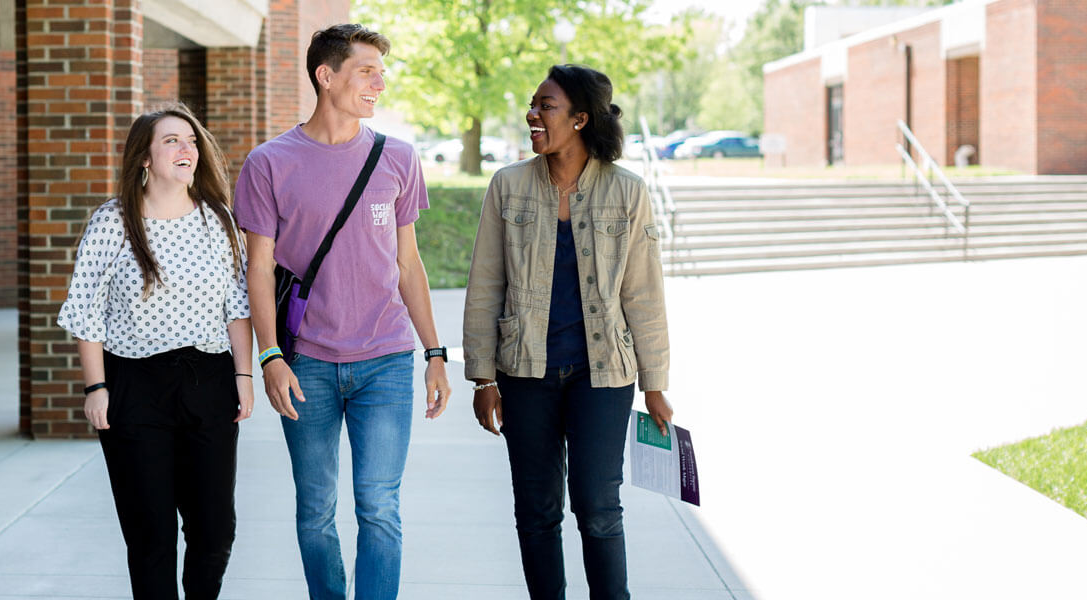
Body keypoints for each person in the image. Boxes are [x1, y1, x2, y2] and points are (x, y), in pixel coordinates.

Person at [233, 23, 452, 600]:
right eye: (366, 71)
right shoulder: (268, 163)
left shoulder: (398, 158)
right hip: (305, 364)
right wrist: (270, 355)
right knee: (316, 509)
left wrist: (434, 352)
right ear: (326, 76)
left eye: (382, 71)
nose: (379, 83)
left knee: (379, 506)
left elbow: (408, 263)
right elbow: (258, 267)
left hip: (385, 360)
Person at [461, 64, 675, 600]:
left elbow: (643, 292)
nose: (533, 115)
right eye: (532, 104)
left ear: (581, 119)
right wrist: (483, 377)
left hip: (601, 376)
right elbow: (485, 282)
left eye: (546, 106)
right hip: (524, 371)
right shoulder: (507, 186)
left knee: (597, 505)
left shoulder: (627, 192)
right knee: (535, 510)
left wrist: (655, 382)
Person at [57, 103, 254, 600]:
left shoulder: (219, 221)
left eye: (190, 140)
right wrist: (96, 387)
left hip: (208, 381)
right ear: (144, 157)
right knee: (150, 535)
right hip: (134, 387)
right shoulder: (113, 222)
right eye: (171, 140)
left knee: (214, 531)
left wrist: (244, 378)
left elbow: (237, 304)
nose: (185, 148)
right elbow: (85, 310)